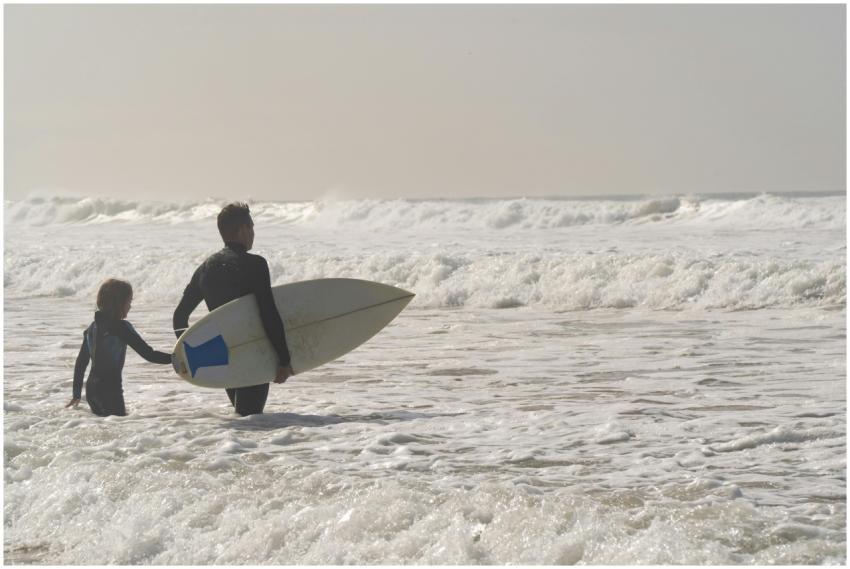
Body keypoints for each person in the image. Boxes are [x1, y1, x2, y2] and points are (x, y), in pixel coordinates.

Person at [172, 202, 293, 416]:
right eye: (252, 227)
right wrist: (284, 359)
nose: (253, 233)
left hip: (223, 357)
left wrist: (192, 357)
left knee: (242, 416)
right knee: (251, 419)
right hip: (252, 353)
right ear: (244, 229)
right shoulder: (255, 264)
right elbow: (268, 313)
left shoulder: (205, 268)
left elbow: (180, 316)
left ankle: (234, 447)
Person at [67, 279, 172, 416]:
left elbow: (81, 363)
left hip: (92, 391)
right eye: (129, 301)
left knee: (106, 430)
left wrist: (76, 394)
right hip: (110, 391)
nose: (130, 306)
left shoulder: (92, 328)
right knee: (120, 427)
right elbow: (149, 354)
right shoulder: (122, 328)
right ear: (119, 303)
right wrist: (174, 359)